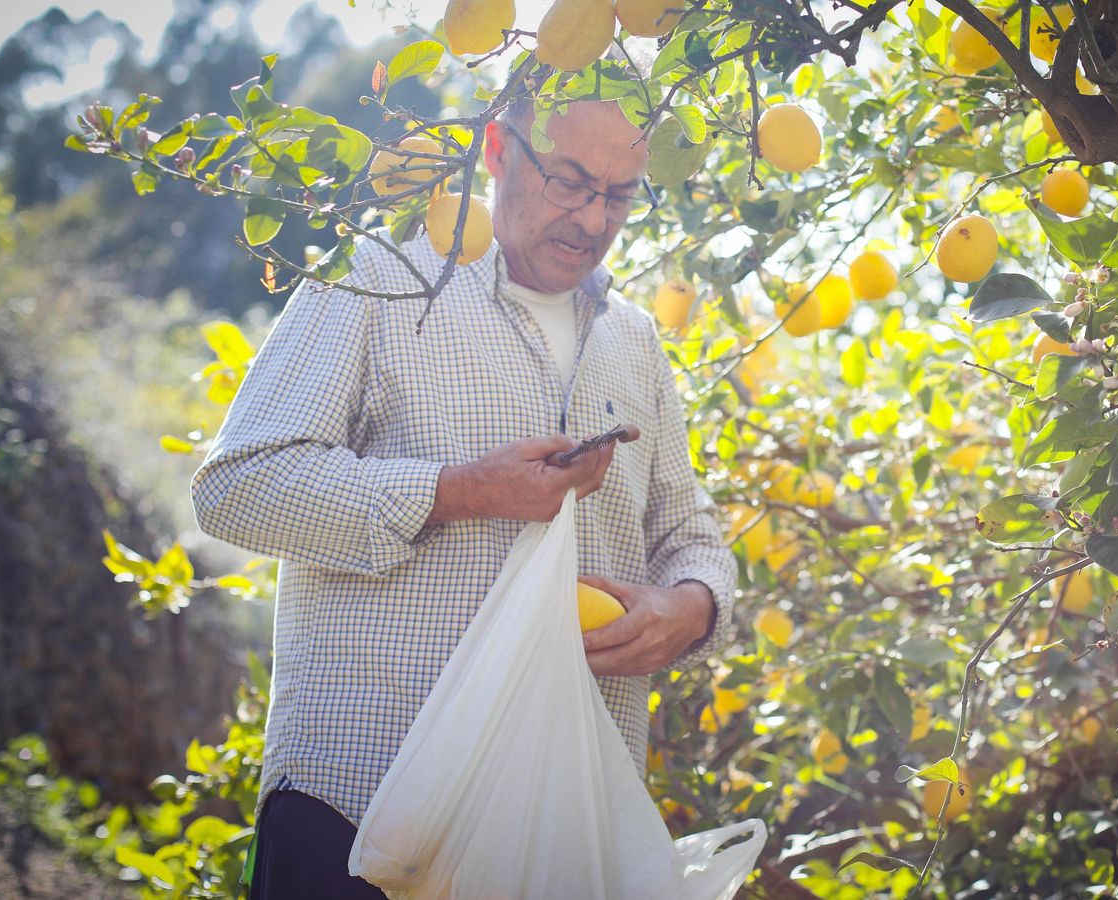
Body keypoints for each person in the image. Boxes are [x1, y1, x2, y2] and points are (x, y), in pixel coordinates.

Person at [191, 97, 736, 898]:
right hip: (356, 809)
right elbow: (239, 487)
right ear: (497, 152)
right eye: (569, 181)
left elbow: (690, 531)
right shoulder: (377, 277)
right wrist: (459, 491)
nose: (592, 217)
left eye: (619, 195)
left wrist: (693, 607)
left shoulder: (634, 338)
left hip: (560, 836)